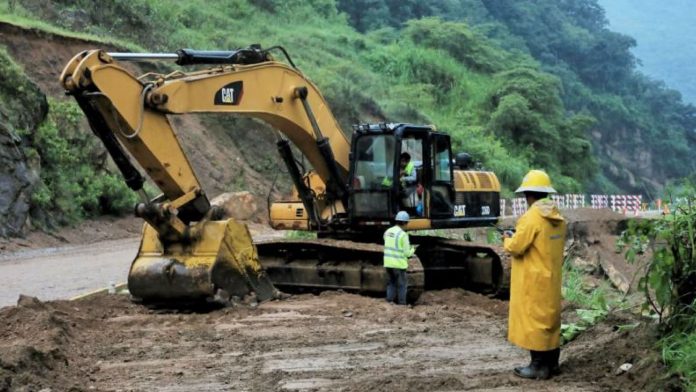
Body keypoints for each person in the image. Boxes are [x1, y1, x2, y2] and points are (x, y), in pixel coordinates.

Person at [503, 169, 566, 380]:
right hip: (551, 279)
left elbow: (516, 247)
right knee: (549, 320)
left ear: (528, 194)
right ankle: (552, 363)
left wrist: (507, 238)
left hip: (533, 280)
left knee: (534, 322)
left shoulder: (531, 218)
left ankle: (538, 366)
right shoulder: (557, 216)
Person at [383, 211, 415, 305]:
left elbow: (386, 240)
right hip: (398, 265)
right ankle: (402, 304)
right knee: (402, 285)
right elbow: (406, 253)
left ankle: (389, 301)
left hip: (388, 263)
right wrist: (413, 249)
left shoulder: (388, 231)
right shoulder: (403, 235)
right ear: (405, 223)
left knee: (391, 283)